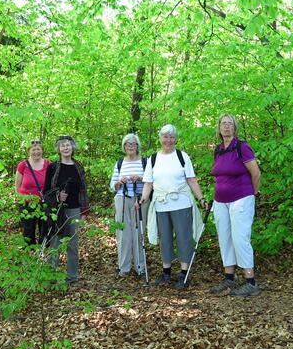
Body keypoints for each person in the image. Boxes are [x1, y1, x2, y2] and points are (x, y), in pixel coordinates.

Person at [139, 124, 208, 289]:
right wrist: (142, 199)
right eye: (165, 137)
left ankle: (184, 274)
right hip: (161, 204)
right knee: (165, 239)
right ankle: (166, 273)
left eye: (171, 137)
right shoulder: (153, 159)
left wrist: (201, 199)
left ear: (176, 139)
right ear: (160, 138)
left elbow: (191, 180)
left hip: (182, 203)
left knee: (184, 238)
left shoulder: (182, 156)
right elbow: (149, 183)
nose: (168, 140)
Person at [208, 114, 262, 297]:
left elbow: (256, 173)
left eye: (230, 124)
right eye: (223, 124)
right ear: (219, 128)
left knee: (240, 238)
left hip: (242, 198)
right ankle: (229, 278)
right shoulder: (218, 150)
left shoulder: (242, 147)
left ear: (235, 128)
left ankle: (250, 282)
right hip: (220, 201)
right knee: (225, 238)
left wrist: (253, 194)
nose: (226, 127)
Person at [43, 136, 89, 286]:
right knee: (55, 243)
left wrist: (84, 211)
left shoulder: (79, 167)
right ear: (58, 149)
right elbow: (46, 192)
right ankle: (51, 277)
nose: (66, 148)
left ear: (73, 147)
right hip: (57, 211)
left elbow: (83, 190)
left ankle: (72, 277)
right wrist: (57, 196)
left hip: (74, 209)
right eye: (62, 146)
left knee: (73, 244)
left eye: (68, 145)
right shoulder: (53, 167)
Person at [109, 133, 148, 278]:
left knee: (139, 232)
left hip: (141, 199)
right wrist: (121, 182)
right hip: (123, 199)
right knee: (123, 233)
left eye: (133, 144)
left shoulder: (145, 161)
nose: (130, 146)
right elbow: (113, 185)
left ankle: (140, 267)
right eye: (128, 144)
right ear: (124, 146)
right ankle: (123, 268)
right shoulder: (120, 163)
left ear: (138, 146)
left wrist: (140, 178)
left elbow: (151, 181)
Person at [14, 140, 50, 245]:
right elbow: (17, 186)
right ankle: (29, 257)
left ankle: (42, 256)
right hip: (26, 204)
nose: (36, 152)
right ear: (29, 151)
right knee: (28, 232)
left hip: (44, 204)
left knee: (45, 231)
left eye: (38, 149)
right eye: (33, 149)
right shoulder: (23, 165)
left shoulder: (48, 164)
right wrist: (20, 201)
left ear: (42, 150)